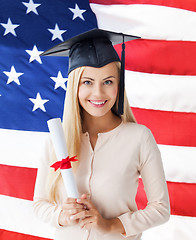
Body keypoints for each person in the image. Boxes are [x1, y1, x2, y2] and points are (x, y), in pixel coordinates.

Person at [33, 29, 170, 240]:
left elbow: (160, 209)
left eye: (108, 81)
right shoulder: (55, 140)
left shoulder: (139, 138)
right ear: (75, 87)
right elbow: (40, 204)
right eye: (87, 82)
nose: (98, 93)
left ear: (119, 84)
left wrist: (110, 225)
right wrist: (63, 216)